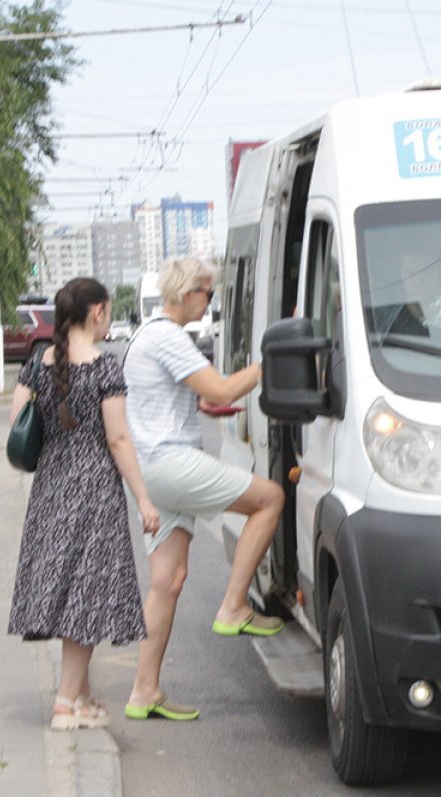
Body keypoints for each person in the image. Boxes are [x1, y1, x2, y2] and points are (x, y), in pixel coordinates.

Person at [123, 256, 285, 722]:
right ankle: (234, 606)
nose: (210, 302)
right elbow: (222, 390)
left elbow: (177, 398)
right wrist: (267, 363)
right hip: (173, 463)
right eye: (208, 293)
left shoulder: (143, 335)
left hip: (153, 470)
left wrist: (206, 407)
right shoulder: (169, 338)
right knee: (270, 499)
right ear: (187, 291)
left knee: (168, 582)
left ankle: (144, 691)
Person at [7, 277, 161, 731]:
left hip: (51, 488)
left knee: (69, 592)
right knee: (86, 598)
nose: (108, 318)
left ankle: (84, 698)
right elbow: (117, 438)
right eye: (108, 310)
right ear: (96, 311)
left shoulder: (37, 362)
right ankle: (64, 704)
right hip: (94, 492)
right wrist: (145, 499)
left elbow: (18, 423)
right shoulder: (104, 367)